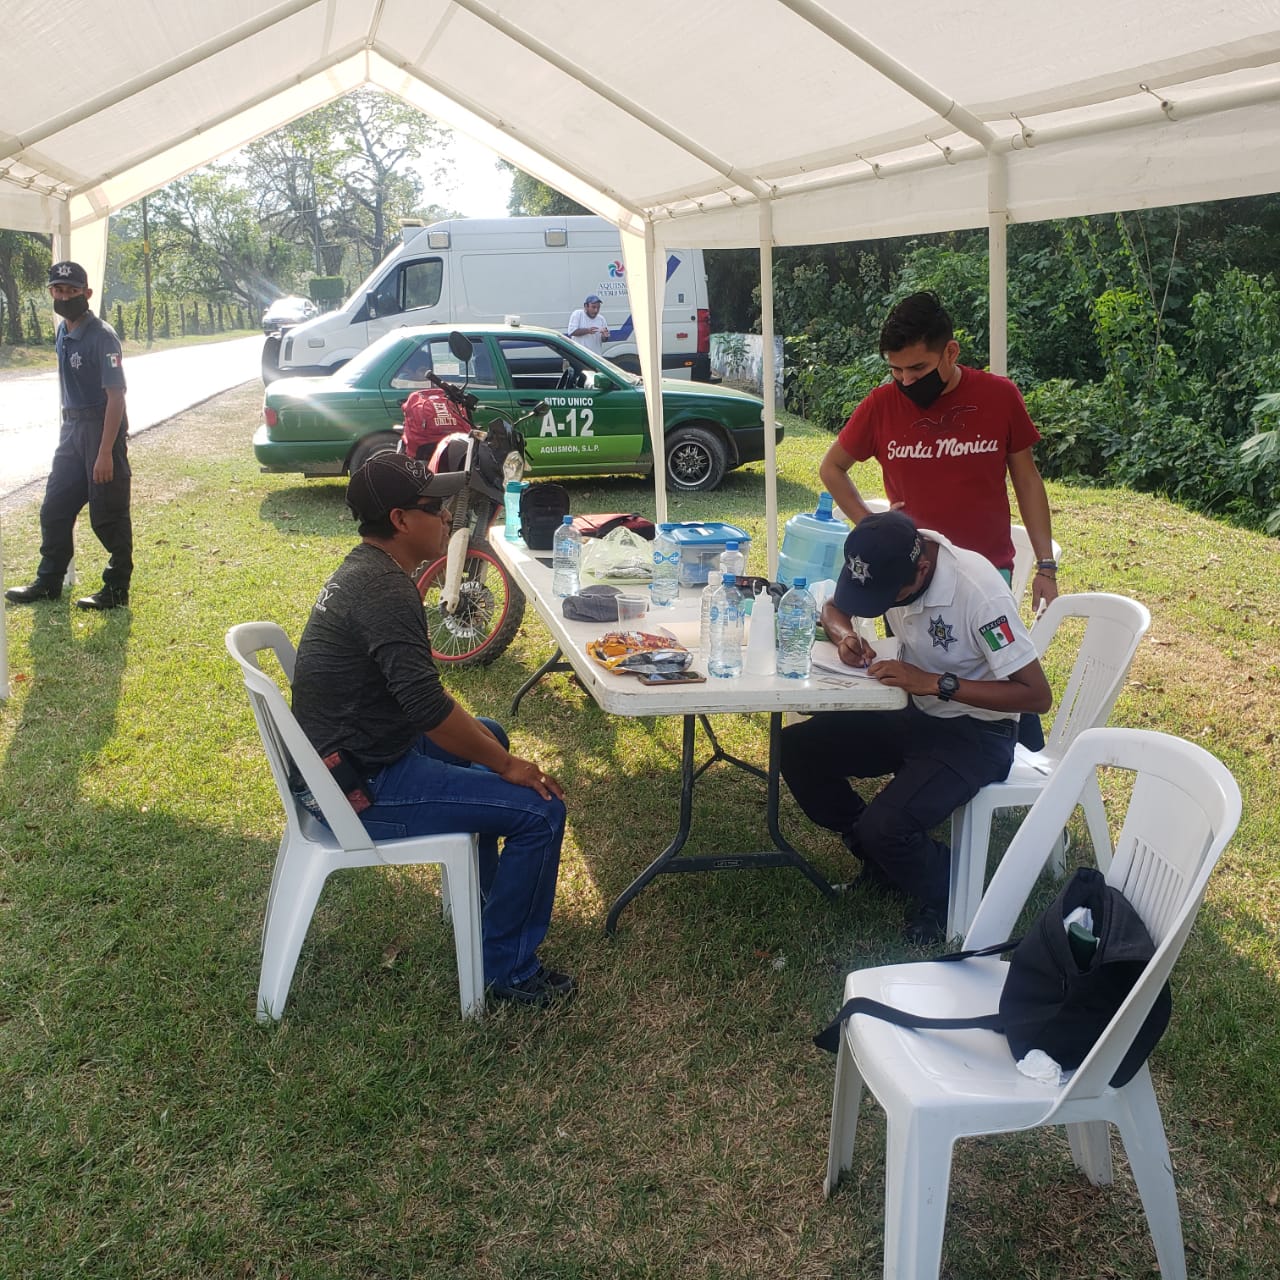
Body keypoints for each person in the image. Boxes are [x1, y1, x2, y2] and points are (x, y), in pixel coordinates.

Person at [290, 453, 573, 1007]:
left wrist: (494, 752)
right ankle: (508, 971)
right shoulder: (384, 592)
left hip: (351, 752)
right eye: (435, 507)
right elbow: (427, 709)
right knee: (541, 810)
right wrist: (506, 767)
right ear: (399, 520)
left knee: (491, 733)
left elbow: (424, 702)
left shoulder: (368, 569)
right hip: (355, 786)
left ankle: (491, 902)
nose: (448, 517)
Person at [780, 511, 1051, 944]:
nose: (882, 605)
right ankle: (879, 859)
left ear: (923, 569)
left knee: (887, 826)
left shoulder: (979, 594)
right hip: (912, 708)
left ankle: (948, 891)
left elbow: (1036, 695)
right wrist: (844, 636)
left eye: (889, 596)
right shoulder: (884, 554)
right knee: (795, 749)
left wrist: (934, 683)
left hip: (978, 732)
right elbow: (834, 608)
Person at [818, 291, 1059, 613]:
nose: (907, 380)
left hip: (985, 570)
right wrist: (870, 522)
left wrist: (1046, 566)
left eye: (918, 369)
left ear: (951, 352)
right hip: (909, 576)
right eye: (896, 370)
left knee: (987, 662)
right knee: (903, 663)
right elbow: (831, 467)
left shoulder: (999, 397)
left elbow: (1027, 480)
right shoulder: (881, 405)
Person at [5, 260, 133, 611]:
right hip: (72, 431)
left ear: (86, 294)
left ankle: (116, 589)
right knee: (55, 508)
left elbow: (116, 397)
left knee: (108, 514)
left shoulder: (102, 336)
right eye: (58, 291)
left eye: (71, 291)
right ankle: (49, 582)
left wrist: (105, 452)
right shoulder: (63, 331)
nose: (63, 296)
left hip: (100, 429)